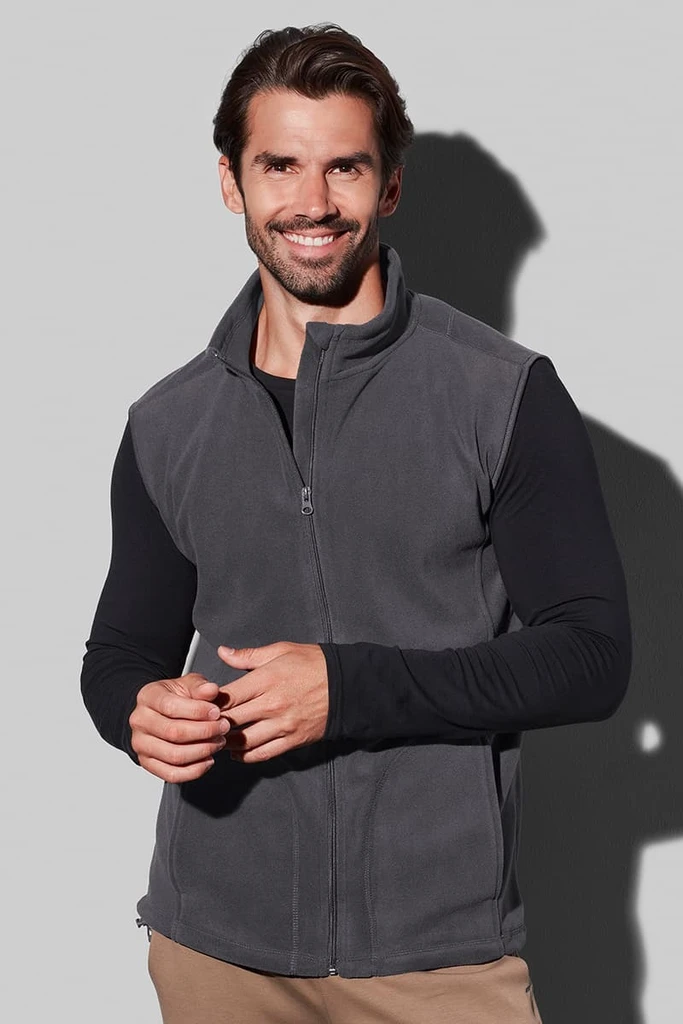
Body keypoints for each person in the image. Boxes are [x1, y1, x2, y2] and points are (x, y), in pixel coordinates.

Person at [81, 22, 631, 1024]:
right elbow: (121, 652)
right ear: (230, 181)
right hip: (212, 949)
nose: (313, 201)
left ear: (389, 185)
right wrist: (136, 711)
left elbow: (590, 657)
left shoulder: (501, 394)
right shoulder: (168, 423)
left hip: (436, 959)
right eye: (279, 165)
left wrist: (348, 690)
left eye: (345, 166)